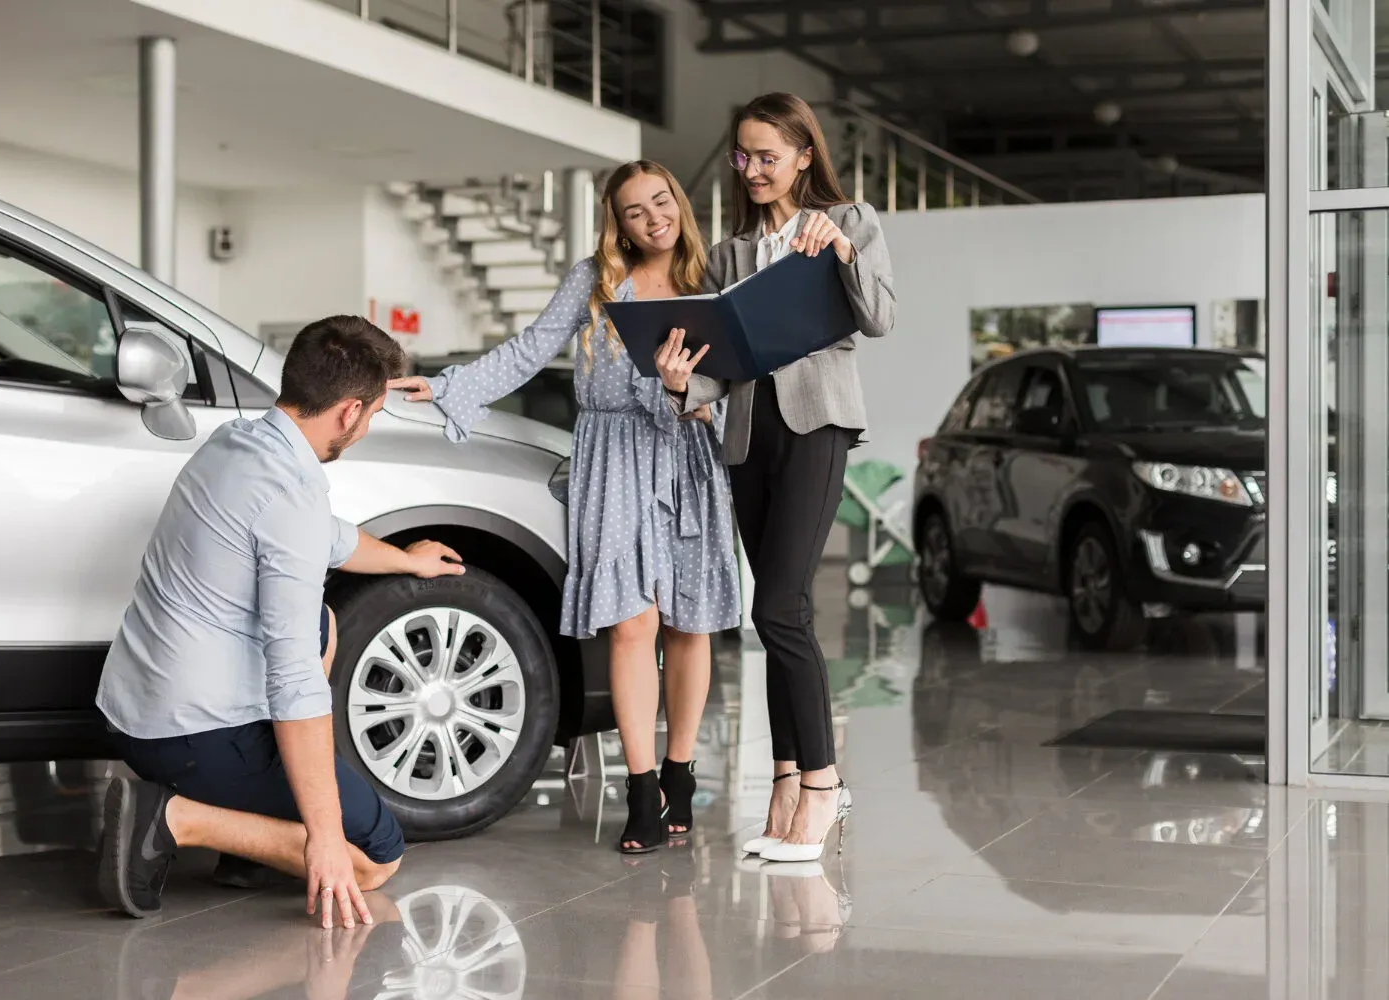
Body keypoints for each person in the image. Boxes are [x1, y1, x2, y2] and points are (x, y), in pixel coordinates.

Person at [388, 161, 740, 854]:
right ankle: (640, 790)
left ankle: (681, 774)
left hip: (686, 452)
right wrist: (450, 386)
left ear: (680, 204)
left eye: (661, 202)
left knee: (688, 624)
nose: (651, 218)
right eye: (634, 210)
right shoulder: (594, 279)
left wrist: (687, 394)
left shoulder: (712, 283)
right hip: (612, 457)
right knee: (633, 627)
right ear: (618, 220)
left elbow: (733, 385)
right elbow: (529, 350)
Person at [95, 315, 466, 928]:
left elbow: (327, 538)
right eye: (372, 413)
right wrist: (321, 836)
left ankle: (247, 845)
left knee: (319, 619)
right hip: (188, 738)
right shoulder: (292, 496)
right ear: (349, 412)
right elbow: (295, 679)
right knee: (374, 858)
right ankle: (172, 818)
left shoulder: (237, 442)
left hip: (130, 711)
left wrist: (405, 559)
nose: (367, 427)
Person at [655, 93, 897, 864]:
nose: (754, 170)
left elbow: (880, 319)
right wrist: (676, 385)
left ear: (802, 154)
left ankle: (823, 784)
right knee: (777, 616)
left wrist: (843, 255)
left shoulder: (848, 221)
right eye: (743, 156)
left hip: (817, 423)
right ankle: (787, 778)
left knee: (781, 605)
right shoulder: (728, 255)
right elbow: (724, 370)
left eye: (768, 155)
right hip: (747, 438)